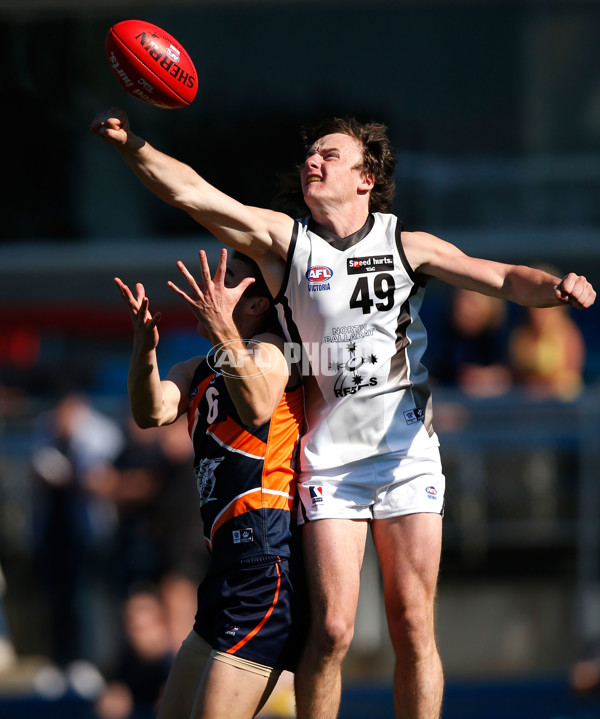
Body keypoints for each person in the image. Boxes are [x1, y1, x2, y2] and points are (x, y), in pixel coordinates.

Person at [92, 109, 596, 719]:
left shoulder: (409, 246)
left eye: (330, 155)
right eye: (310, 154)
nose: (313, 161)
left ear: (367, 176)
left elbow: (502, 278)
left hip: (406, 452)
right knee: (330, 630)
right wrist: (132, 145)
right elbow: (195, 194)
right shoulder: (289, 243)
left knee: (413, 621)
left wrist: (557, 287)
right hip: (329, 460)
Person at [114, 247, 304, 719]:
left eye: (228, 279)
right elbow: (150, 411)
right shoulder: (195, 369)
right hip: (223, 570)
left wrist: (223, 328)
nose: (209, 288)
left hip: (265, 558)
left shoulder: (274, 350)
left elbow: (258, 405)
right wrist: (145, 347)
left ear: (257, 303)